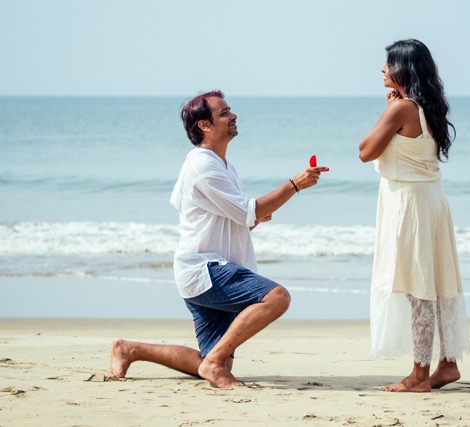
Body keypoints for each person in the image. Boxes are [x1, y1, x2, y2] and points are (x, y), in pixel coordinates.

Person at [108, 90, 329, 389]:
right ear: (205, 125)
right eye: (224, 113)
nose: (233, 116)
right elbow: (247, 210)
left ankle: (130, 349)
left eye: (230, 111)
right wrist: (295, 185)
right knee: (277, 298)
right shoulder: (202, 164)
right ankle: (214, 363)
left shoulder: (221, 165)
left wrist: (253, 219)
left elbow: (231, 218)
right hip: (205, 269)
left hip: (207, 269)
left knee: (213, 361)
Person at [358, 39, 470, 392]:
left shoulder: (401, 108)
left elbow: (364, 151)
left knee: (417, 285)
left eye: (388, 63)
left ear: (403, 69)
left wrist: (387, 110)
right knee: (435, 280)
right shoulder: (428, 106)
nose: (382, 69)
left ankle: (419, 375)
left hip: (409, 204)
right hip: (431, 200)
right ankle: (447, 363)